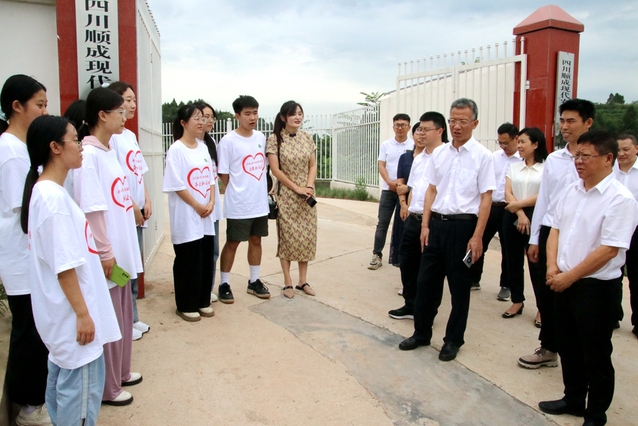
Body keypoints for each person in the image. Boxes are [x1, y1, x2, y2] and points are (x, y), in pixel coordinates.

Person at [21, 115, 121, 426]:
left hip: (66, 323)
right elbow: (65, 268)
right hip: (74, 324)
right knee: (79, 407)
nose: (80, 146)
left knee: (65, 397)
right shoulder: (52, 199)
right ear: (55, 147)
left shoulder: (49, 192)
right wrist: (83, 314)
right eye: (75, 140)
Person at [539, 130, 638, 426]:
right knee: (568, 346)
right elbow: (555, 229)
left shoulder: (620, 199)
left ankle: (595, 415)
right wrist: (552, 266)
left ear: (608, 159)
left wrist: (569, 276)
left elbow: (609, 250)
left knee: (596, 354)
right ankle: (573, 399)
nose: (579, 161)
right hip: (562, 281)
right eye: (576, 156)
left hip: (596, 288)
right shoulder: (572, 190)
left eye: (585, 156)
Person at [398, 98, 496, 362]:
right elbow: (431, 190)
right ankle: (421, 333)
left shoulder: (483, 157)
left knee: (459, 288)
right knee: (425, 282)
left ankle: (453, 340)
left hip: (464, 228)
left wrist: (477, 237)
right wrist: (425, 225)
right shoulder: (439, 154)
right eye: (453, 120)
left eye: (463, 121)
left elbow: (486, 198)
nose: (457, 126)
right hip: (436, 226)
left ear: (475, 123)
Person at [72, 87, 143, 406]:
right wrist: (105, 253)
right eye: (120, 111)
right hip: (108, 257)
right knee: (111, 317)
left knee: (124, 313)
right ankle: (108, 387)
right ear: (102, 115)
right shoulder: (89, 157)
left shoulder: (109, 149)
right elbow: (93, 211)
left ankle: (122, 371)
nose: (125, 115)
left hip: (122, 252)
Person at [519, 99, 595, 369]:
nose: (564, 126)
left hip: (583, 235)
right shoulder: (555, 159)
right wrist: (534, 238)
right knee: (547, 293)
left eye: (571, 121)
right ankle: (549, 347)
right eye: (562, 121)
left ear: (588, 123)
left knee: (578, 294)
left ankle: (581, 353)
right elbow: (545, 200)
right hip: (551, 232)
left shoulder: (599, 159)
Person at [0, 74, 52, 425]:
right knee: (29, 335)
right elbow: (25, 211)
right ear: (17, 106)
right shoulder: (11, 152)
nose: (45, 111)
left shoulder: (22, 147)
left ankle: (30, 401)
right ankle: (28, 407)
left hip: (29, 254)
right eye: (40, 105)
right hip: (20, 256)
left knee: (34, 332)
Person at [388, 112, 447, 319]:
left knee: (430, 271)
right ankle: (410, 304)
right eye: (419, 129)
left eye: (425, 129)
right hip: (413, 219)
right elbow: (412, 187)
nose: (420, 133)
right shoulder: (419, 158)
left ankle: (427, 311)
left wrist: (427, 224)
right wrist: (407, 206)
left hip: (433, 221)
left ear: (439, 131)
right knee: (407, 263)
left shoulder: (446, 156)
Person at [107, 81, 152, 341]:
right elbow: (118, 179)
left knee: (134, 267)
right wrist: (133, 206)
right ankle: (123, 320)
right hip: (125, 212)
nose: (132, 105)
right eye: (127, 100)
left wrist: (146, 199)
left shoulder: (130, 136)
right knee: (122, 269)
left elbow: (138, 172)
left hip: (137, 212)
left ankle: (132, 317)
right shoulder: (111, 138)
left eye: (134, 99)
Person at [162, 103, 216, 321]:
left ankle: (203, 300)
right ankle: (185, 304)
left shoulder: (203, 147)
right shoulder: (176, 150)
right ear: (183, 123)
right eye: (197, 118)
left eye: (203, 118)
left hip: (205, 214)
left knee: (205, 258)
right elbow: (176, 184)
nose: (202, 122)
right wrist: (197, 205)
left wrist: (211, 202)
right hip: (187, 214)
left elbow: (211, 178)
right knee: (188, 259)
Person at [217, 95, 270, 302]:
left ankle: (254, 281)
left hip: (259, 203)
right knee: (233, 242)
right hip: (239, 204)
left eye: (255, 113)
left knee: (256, 240)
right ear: (237, 116)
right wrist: (238, 190)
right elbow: (223, 174)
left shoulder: (261, 138)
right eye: (247, 113)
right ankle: (224, 283)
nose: (252, 117)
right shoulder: (228, 141)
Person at [266, 101, 317, 298]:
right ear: (283, 117)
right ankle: (287, 282)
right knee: (287, 238)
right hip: (287, 195)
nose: (298, 117)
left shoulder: (307, 137)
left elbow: (312, 165)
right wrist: (296, 188)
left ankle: (302, 281)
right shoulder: (274, 139)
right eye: (293, 114)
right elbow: (275, 170)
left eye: (300, 113)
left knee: (306, 237)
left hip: (307, 195)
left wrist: (309, 187)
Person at [501, 127, 548, 318]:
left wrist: (520, 206)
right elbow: (507, 192)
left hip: (536, 215)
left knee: (536, 263)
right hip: (513, 214)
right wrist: (520, 212)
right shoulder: (514, 167)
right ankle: (517, 301)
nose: (518, 146)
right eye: (518, 142)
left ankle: (542, 307)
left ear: (535, 144)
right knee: (512, 261)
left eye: (522, 142)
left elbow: (544, 194)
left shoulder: (546, 168)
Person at [469, 123, 521, 296]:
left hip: (511, 208)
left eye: (506, 142)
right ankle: (473, 278)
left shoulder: (522, 160)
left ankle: (506, 285)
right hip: (492, 207)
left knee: (508, 249)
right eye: (500, 142)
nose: (503, 146)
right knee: (479, 241)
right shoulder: (493, 157)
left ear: (516, 139)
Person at [368, 113, 414, 270]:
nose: (400, 128)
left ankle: (403, 257)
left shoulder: (413, 145)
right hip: (388, 190)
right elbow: (381, 165)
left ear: (409, 127)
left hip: (406, 191)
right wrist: (389, 182)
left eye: (403, 125)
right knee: (382, 223)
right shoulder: (386, 145)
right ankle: (377, 255)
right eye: (397, 125)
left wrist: (405, 186)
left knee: (405, 224)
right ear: (393, 126)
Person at [193, 101, 223, 303]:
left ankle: (207, 289)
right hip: (196, 207)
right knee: (195, 252)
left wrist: (212, 202)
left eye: (212, 117)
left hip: (213, 206)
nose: (209, 120)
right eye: (204, 116)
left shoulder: (211, 143)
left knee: (212, 251)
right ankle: (194, 290)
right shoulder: (186, 145)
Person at [614, 133, 638, 338]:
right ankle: (612, 315)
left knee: (636, 277)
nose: (621, 153)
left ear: (636, 149)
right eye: (618, 150)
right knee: (613, 274)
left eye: (626, 149)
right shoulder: (609, 171)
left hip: (636, 230)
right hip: (613, 229)